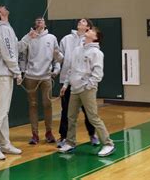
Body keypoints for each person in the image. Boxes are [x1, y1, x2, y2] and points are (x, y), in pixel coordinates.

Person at [58, 26, 115, 157]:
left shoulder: (97, 53)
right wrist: (66, 84)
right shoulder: (77, 50)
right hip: (74, 89)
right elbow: (71, 69)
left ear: (95, 37)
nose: (88, 30)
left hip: (86, 89)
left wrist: (88, 86)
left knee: (93, 117)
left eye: (91, 30)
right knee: (70, 117)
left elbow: (98, 73)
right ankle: (70, 143)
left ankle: (108, 144)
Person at [0, 4, 25, 160]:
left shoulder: (7, 28)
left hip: (6, 74)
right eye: (2, 7)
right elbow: (8, 54)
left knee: (4, 112)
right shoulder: (2, 29)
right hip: (3, 75)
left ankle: (5, 144)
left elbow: (16, 48)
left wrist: (30, 37)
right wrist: (17, 72)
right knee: (0, 111)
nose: (5, 7)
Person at [19, 17, 62, 145]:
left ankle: (49, 132)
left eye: (41, 20)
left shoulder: (51, 38)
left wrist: (57, 69)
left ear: (45, 23)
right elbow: (22, 54)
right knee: (33, 105)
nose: (39, 22)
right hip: (31, 76)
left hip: (46, 77)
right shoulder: (29, 37)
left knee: (47, 104)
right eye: (37, 20)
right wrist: (23, 71)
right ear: (34, 23)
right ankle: (35, 134)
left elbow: (57, 56)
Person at [57, 18, 98, 148]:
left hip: (84, 83)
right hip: (67, 80)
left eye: (84, 22)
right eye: (80, 21)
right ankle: (64, 137)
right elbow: (62, 58)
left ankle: (92, 135)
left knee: (88, 111)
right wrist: (56, 57)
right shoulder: (66, 39)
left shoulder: (88, 42)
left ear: (88, 28)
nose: (81, 22)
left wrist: (90, 83)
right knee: (66, 111)